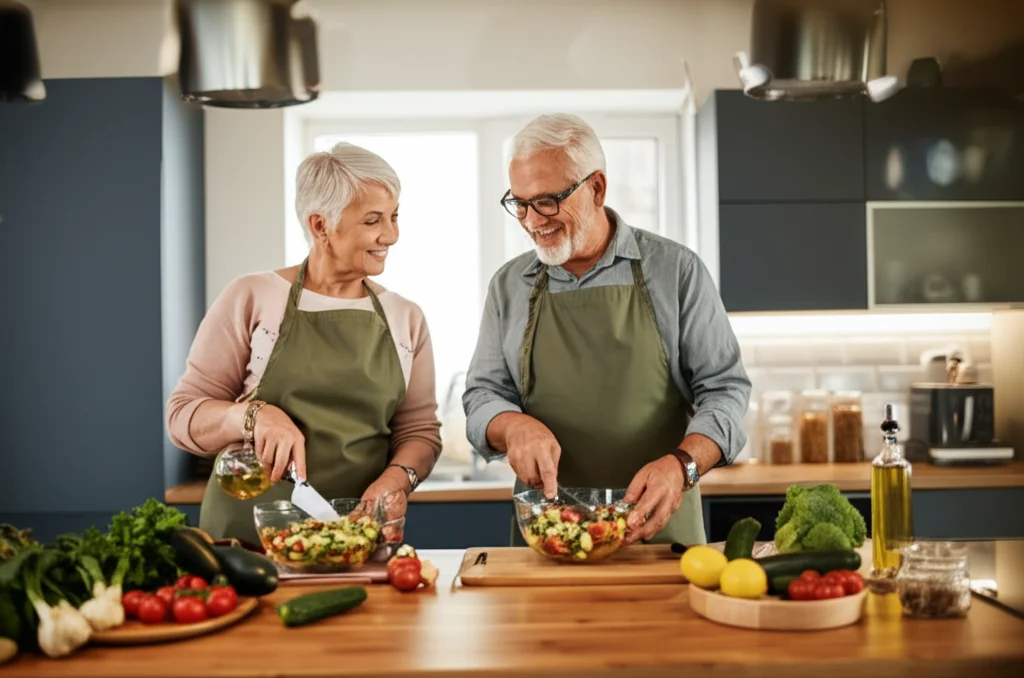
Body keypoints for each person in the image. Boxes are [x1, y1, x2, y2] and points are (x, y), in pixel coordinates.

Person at [463, 114, 751, 547]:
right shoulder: (509, 286)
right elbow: (482, 394)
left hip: (658, 532)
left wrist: (681, 466)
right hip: (547, 536)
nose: (531, 220)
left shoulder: (675, 271)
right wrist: (513, 425)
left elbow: (725, 390)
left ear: (596, 187)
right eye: (519, 203)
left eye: (546, 200)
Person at [166, 142, 442, 544]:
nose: (391, 235)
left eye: (394, 216)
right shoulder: (252, 296)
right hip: (247, 541)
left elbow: (419, 433)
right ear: (320, 225)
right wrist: (253, 416)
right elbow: (182, 417)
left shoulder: (406, 318)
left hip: (354, 537)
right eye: (373, 220)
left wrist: (397, 480)